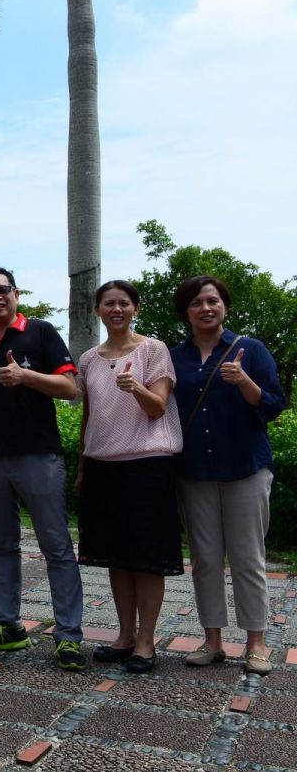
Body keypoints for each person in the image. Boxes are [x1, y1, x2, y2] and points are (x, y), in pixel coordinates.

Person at [0, 268, 87, 671]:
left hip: (40, 457)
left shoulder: (40, 333)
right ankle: (9, 625)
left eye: (3, 290)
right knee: (1, 545)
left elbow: (70, 388)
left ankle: (68, 636)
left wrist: (25, 376)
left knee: (56, 547)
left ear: (16, 294)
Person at [170, 276, 286, 675]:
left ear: (224, 306)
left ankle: (256, 643)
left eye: (213, 300)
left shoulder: (250, 350)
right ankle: (212, 641)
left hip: (245, 468)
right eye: (196, 303)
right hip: (194, 471)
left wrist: (245, 382)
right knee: (204, 560)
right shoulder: (175, 357)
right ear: (185, 312)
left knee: (247, 558)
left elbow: (274, 405)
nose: (206, 308)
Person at [76, 281, 184, 673]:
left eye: (124, 303)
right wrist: (82, 467)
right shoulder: (88, 359)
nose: (116, 309)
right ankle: (124, 635)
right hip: (103, 465)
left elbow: (158, 407)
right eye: (109, 303)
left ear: (136, 308)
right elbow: (89, 415)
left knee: (148, 557)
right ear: (98, 311)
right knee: (116, 556)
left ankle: (145, 642)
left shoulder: (153, 349)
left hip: (147, 464)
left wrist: (134, 386)